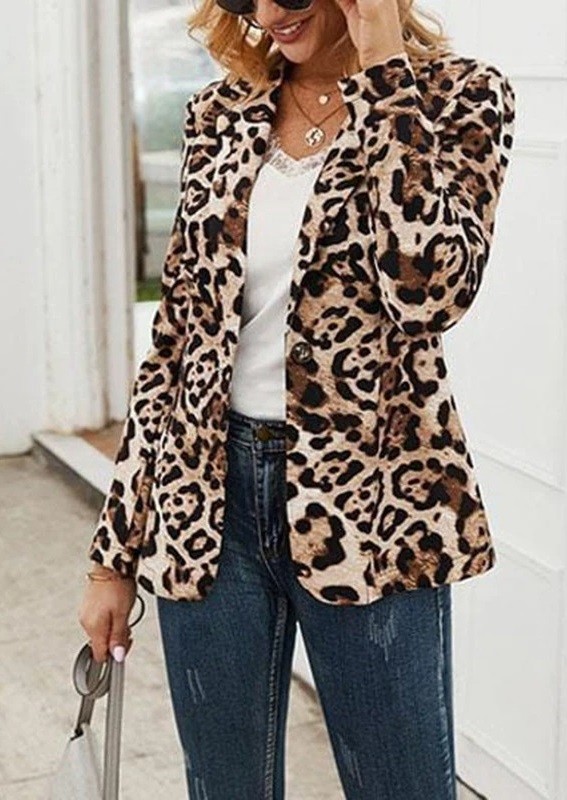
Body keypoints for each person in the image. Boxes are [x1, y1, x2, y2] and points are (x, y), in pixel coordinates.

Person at [79, 0, 516, 796]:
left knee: (402, 785)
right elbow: (174, 341)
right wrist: (113, 558)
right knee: (225, 785)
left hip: (377, 503)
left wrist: (382, 68)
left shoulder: (457, 97)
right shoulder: (220, 112)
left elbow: (428, 293)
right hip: (207, 501)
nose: (266, 15)